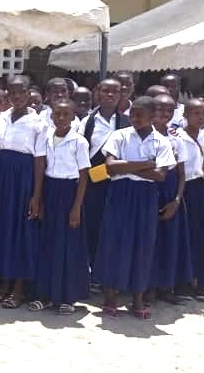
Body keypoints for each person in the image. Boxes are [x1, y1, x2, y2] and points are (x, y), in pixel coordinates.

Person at [94, 96, 175, 320]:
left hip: (146, 196)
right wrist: (146, 163)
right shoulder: (119, 136)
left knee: (142, 244)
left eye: (141, 114)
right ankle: (110, 297)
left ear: (152, 116)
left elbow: (160, 175)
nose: (135, 118)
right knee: (114, 241)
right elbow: (110, 168)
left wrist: (127, 167)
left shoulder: (161, 142)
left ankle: (137, 298)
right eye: (133, 114)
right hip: (120, 195)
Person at [0, 76, 46, 309]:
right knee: (4, 229)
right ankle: (4, 283)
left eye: (20, 92)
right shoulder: (1, 118)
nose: (16, 96)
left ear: (29, 92)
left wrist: (36, 195)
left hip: (25, 180)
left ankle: (19, 288)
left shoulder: (39, 122)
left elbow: (40, 160)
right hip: (3, 177)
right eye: (12, 92)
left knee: (23, 232)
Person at [29, 99, 90, 315]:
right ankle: (46, 294)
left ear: (74, 117)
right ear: (51, 116)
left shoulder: (79, 142)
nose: (61, 118)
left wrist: (76, 208)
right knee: (48, 243)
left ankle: (68, 296)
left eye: (66, 114)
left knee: (69, 245)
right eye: (57, 114)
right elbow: (41, 167)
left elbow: (84, 177)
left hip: (69, 193)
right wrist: (38, 198)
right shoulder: (46, 137)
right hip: (50, 190)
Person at [78, 79, 129, 276]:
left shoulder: (126, 122)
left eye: (115, 92)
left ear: (121, 94)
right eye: (105, 91)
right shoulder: (87, 122)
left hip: (118, 183)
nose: (110, 95)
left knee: (113, 228)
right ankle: (91, 271)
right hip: (93, 183)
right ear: (97, 92)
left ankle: (108, 272)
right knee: (92, 225)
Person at [148, 94, 192, 305]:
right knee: (150, 240)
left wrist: (176, 199)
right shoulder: (143, 135)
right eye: (159, 109)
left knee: (170, 240)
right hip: (149, 190)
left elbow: (182, 173)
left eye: (169, 110)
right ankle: (147, 287)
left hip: (171, 191)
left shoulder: (177, 138)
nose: (164, 114)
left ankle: (166, 286)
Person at [175, 98, 204, 302]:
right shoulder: (177, 137)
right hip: (185, 189)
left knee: (203, 235)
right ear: (185, 115)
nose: (200, 118)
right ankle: (182, 284)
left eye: (203, 114)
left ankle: (200, 283)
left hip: (201, 187)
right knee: (186, 236)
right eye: (195, 113)